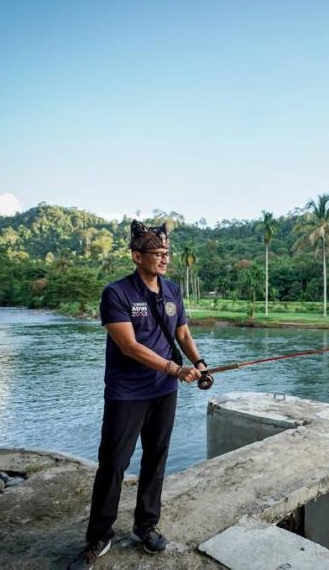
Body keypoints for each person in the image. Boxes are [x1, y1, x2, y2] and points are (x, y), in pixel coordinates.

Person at [69, 220, 207, 569]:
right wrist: (176, 369)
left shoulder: (173, 291)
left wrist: (199, 363)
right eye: (157, 254)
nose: (164, 259)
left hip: (164, 391)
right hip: (126, 393)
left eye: (167, 253)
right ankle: (99, 535)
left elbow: (183, 334)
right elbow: (129, 347)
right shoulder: (116, 294)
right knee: (114, 463)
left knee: (156, 458)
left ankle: (145, 525)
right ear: (136, 256)